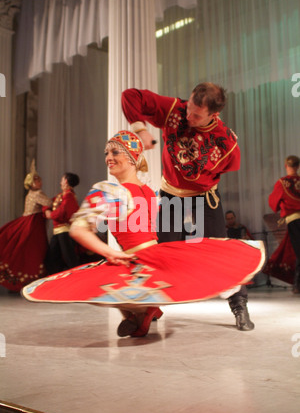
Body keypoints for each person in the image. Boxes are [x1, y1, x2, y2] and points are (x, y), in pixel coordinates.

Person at [22, 131, 265, 338]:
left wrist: (107, 252)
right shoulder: (148, 192)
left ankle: (143, 313)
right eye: (107, 153)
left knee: (105, 286)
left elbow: (77, 228)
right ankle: (146, 311)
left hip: (138, 257)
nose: (108, 158)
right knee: (123, 289)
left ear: (131, 158)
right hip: (155, 254)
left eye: (115, 152)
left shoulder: (111, 190)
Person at [121, 83, 255, 331]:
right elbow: (131, 97)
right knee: (161, 255)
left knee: (219, 254)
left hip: (204, 198)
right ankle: (147, 312)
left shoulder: (226, 143)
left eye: (196, 115)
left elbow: (228, 166)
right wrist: (139, 129)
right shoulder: (175, 110)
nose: (189, 117)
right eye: (189, 109)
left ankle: (239, 305)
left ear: (214, 115)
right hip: (172, 195)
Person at [0, 160, 52, 292]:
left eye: (39, 180)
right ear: (31, 184)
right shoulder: (37, 194)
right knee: (33, 251)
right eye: (36, 180)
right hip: (32, 225)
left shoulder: (30, 194)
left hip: (29, 222)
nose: (39, 182)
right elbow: (48, 202)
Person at [267, 155, 300, 293]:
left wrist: (281, 207)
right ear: (298, 167)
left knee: (297, 251)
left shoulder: (282, 183)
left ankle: (297, 285)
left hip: (293, 220)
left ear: (286, 166)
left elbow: (273, 202)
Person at [44, 172, 80, 274]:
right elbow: (47, 203)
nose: (60, 182)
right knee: (52, 258)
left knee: (69, 259)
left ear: (66, 181)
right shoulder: (62, 196)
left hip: (65, 232)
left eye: (62, 179)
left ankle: (77, 278)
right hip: (58, 232)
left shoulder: (69, 196)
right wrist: (46, 209)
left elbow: (61, 213)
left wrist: (50, 214)